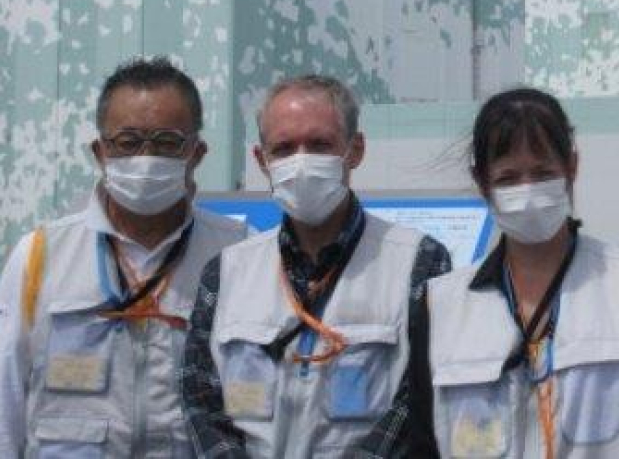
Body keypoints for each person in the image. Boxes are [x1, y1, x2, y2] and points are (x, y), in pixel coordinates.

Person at [180, 74, 452, 456]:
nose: (301, 162)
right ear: (262, 160)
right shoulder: (226, 271)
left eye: (320, 145)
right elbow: (198, 396)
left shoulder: (419, 262)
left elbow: (417, 402)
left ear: (354, 150)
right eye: (284, 148)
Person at [0, 56, 248, 456]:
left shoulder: (239, 255)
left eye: (167, 142)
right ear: (100, 151)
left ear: (197, 152)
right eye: (128, 142)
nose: (146, 157)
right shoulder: (39, 256)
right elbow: (5, 398)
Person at [409, 86, 619, 457]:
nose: (528, 192)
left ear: (572, 167)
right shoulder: (440, 305)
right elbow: (423, 443)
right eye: (508, 178)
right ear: (482, 182)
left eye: (542, 173)